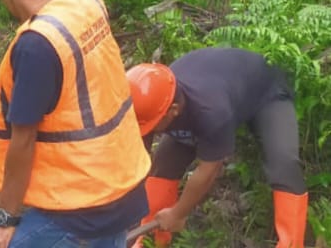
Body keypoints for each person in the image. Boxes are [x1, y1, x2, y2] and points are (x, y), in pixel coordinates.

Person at [0, 0, 150, 248]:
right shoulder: (87, 6)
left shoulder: (38, 44)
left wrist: (4, 219)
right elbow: (72, 103)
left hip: (80, 207)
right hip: (120, 188)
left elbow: (24, 140)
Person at [127, 48, 308, 248]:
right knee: (163, 165)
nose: (150, 130)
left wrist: (178, 213)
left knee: (284, 164)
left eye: (154, 124)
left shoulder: (212, 112)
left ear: (173, 111)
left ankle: (291, 243)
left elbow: (208, 170)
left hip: (266, 94)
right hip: (220, 90)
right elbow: (140, 151)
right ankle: (152, 240)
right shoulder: (152, 96)